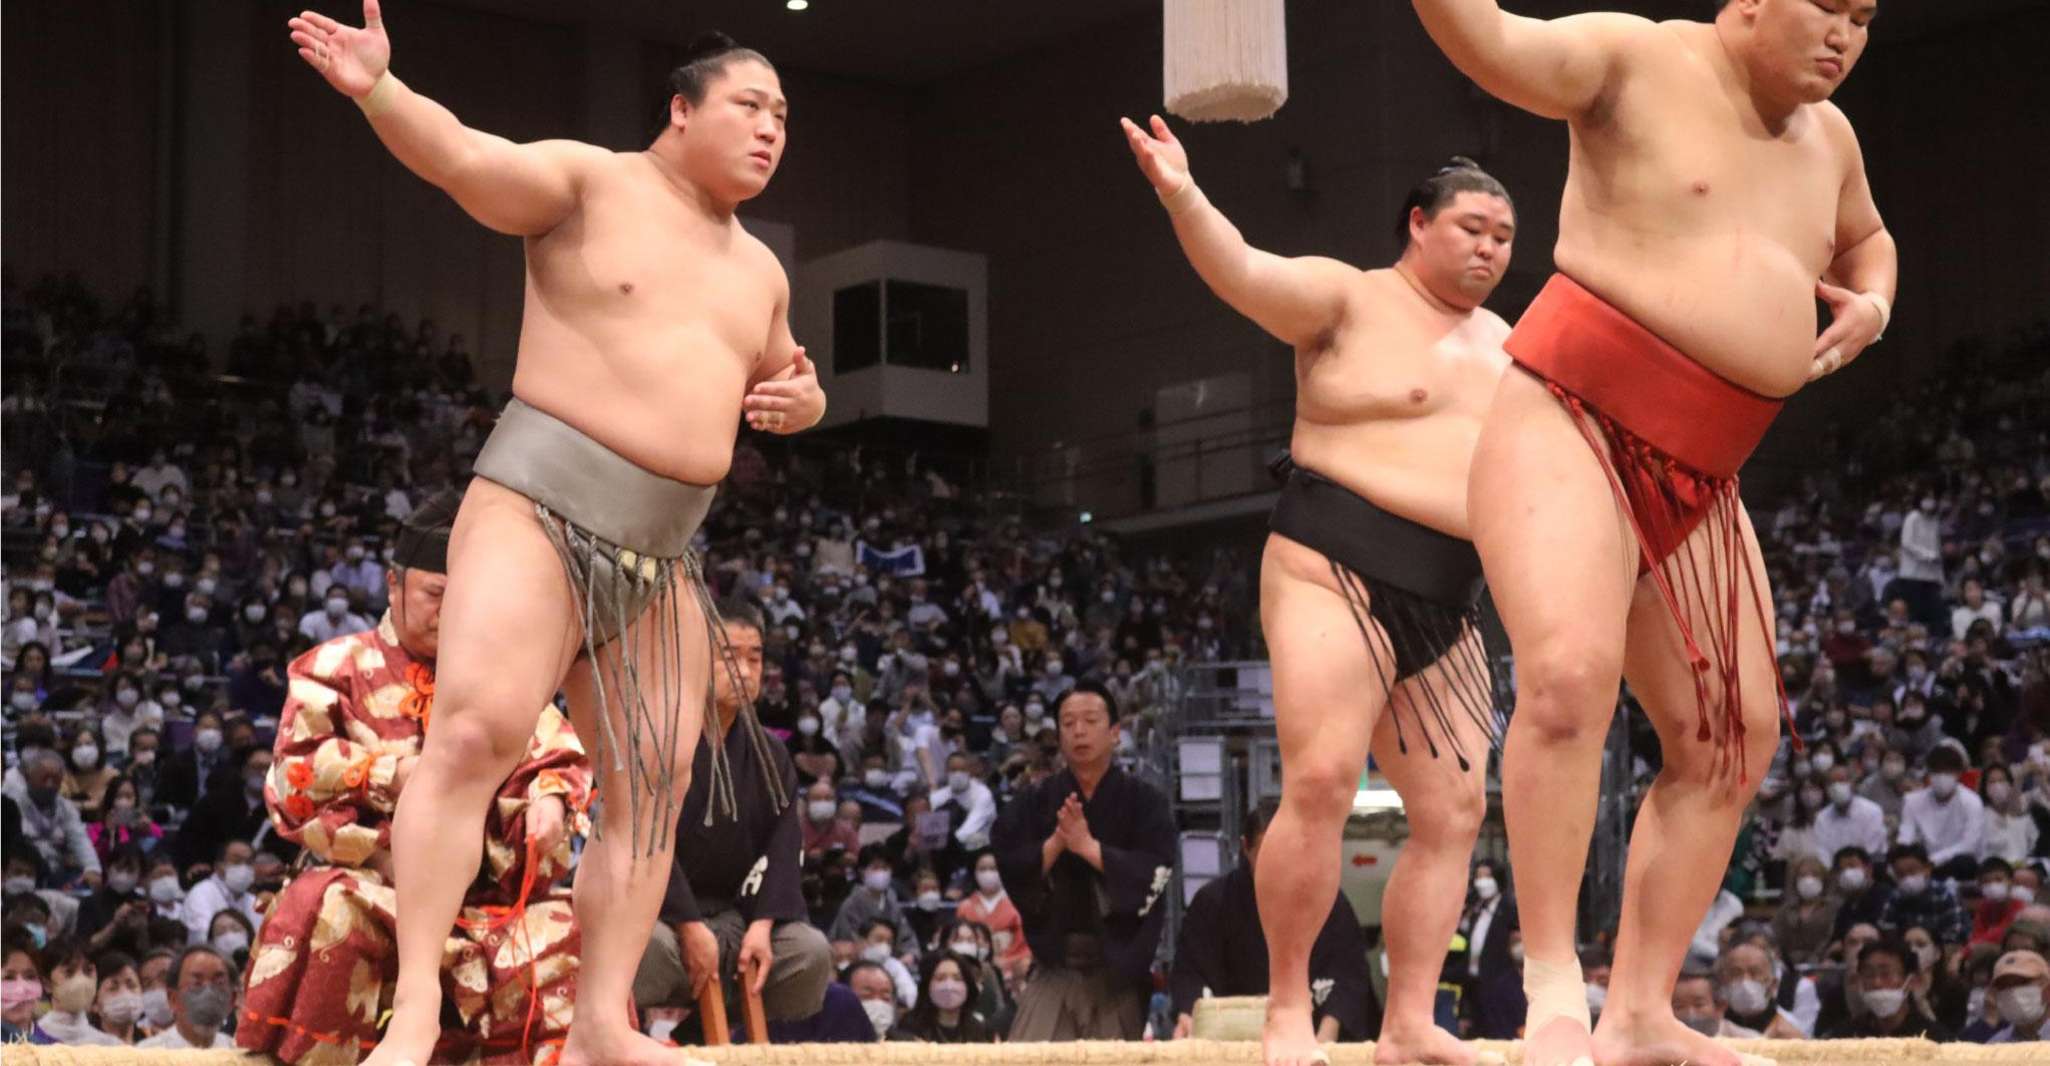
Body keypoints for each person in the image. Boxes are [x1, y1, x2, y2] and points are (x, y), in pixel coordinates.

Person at [285, 7, 823, 1063]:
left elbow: (788, 374)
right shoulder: (591, 183)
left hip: (664, 552)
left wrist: (804, 404)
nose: (771, 130)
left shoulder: (762, 269)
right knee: (475, 738)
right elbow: (460, 159)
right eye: (749, 106)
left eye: (783, 116)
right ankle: (420, 1009)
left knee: (652, 784)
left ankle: (601, 1021)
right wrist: (379, 90)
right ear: (681, 110)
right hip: (541, 505)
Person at [1410, 1, 1896, 1062]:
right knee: (1570, 677)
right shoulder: (1633, 56)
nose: (1844, 37)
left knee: (1733, 735)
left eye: (1864, 17)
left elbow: (1867, 238)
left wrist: (1874, 298)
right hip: (1572, 414)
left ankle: (1635, 1007)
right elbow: (1487, 40)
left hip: (1706, 475)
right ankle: (1549, 990)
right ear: (1748, 5)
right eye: (1826, 8)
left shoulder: (1833, 140)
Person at [1123, 109, 1515, 1066]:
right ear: (1418, 223)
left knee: (1455, 813)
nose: (1490, 250)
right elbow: (1247, 272)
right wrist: (1184, 192)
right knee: (1324, 781)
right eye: (1472, 229)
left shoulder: (1508, 343)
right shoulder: (1349, 298)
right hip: (1328, 564)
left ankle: (1412, 1019)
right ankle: (1288, 1007)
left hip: (1447, 599)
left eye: (1505, 237)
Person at [238, 491, 594, 1064]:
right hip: (373, 880)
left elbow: (556, 758)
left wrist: (549, 801)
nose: (448, 613)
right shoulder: (332, 669)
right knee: (332, 907)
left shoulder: (504, 678)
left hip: (483, 894)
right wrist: (397, 777)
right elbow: (294, 784)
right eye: (434, 595)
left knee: (567, 925)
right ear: (393, 583)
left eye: (464, 600)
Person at [632, 600, 831, 1034]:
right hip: (662, 919)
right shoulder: (659, 739)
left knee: (809, 953)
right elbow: (647, 842)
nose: (744, 669)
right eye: (728, 656)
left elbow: (783, 843)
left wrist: (762, 925)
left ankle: (710, 1028)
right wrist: (688, 926)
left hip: (741, 919)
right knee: (641, 950)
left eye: (754, 657)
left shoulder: (771, 753)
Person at [992, 684, 1175, 1041]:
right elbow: (1009, 857)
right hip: (1054, 964)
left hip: (1117, 970)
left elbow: (1156, 868)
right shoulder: (1036, 800)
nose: (1079, 731)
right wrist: (1057, 844)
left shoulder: (1145, 802)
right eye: (1068, 723)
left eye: (1090, 721)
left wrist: (1089, 848)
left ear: (1114, 732)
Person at [1169, 802, 1377, 1044]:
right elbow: (1191, 972)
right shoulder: (1214, 902)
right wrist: (1188, 1016)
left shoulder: (1327, 899)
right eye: (1268, 855)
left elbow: (1349, 974)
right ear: (1246, 847)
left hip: (1313, 1034)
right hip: (1230, 1040)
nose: (1279, 867)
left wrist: (1327, 1035)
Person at [1819, 937, 1951, 1041]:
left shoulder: (1934, 1039)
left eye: (1886, 974)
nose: (1877, 982)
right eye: (1869, 975)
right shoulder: (1843, 1037)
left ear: (1911, 981)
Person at [1898, 746, 1986, 882]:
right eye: (1937, 771)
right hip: (1921, 863)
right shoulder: (1912, 800)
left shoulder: (1972, 802)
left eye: (1947, 771)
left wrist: (1933, 860)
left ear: (1958, 774)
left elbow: (1969, 844)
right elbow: (1906, 835)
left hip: (1954, 862)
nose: (1941, 777)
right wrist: (1907, 857)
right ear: (1929, 774)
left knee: (1964, 863)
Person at [137, 945, 236, 1049]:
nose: (208, 992)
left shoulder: (239, 1053)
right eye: (197, 983)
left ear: (231, 999)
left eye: (218, 983)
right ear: (173, 998)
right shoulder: (145, 1055)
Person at [26, 939, 124, 1045]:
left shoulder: (111, 1046)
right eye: (69, 972)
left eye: (88, 971)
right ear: (47, 984)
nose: (81, 980)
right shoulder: (30, 1040)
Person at [888, 949, 995, 1043]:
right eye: (940, 978)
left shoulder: (978, 1029)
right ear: (927, 986)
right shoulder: (909, 1028)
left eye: (957, 978)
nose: (949, 986)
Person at [955, 851, 1030, 980]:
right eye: (982, 869)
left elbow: (1023, 943)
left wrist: (1006, 961)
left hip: (1011, 968)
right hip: (973, 967)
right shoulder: (965, 906)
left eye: (993, 868)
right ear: (975, 873)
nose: (988, 873)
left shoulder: (1016, 904)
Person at [1987, 948, 2050, 1043]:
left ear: (2047, 988)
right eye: (2004, 986)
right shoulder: (1996, 1045)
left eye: (2022, 982)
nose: (2012, 992)